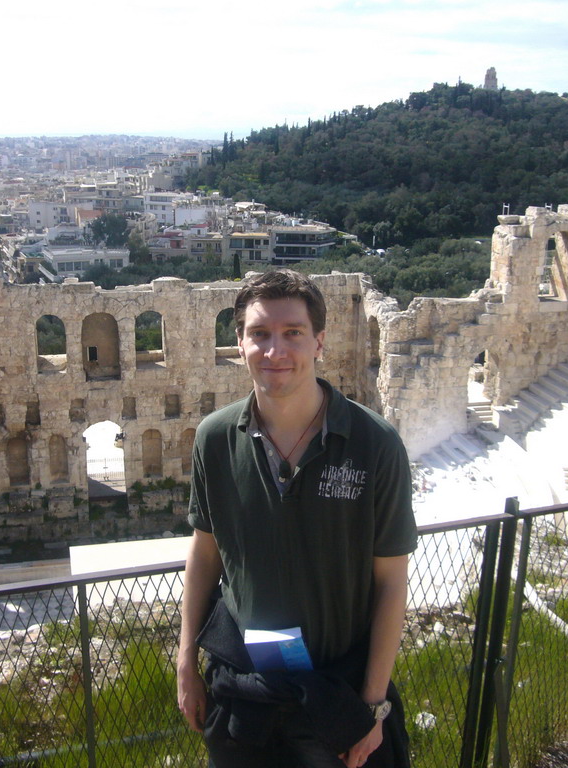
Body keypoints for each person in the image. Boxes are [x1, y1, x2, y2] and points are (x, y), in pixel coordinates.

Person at [177, 270, 417, 768]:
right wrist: (185, 664)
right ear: (239, 343)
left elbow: (392, 581)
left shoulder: (375, 445)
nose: (274, 351)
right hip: (244, 691)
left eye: (292, 334)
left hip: (336, 691)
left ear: (319, 343)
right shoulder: (215, 439)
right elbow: (205, 553)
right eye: (259, 334)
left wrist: (372, 706)